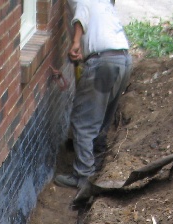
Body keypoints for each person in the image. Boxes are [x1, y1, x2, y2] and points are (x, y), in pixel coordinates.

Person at [55, 0, 132, 196]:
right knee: (105, 113)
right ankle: (99, 159)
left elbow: (81, 15)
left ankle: (84, 175)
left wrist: (74, 43)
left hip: (102, 62)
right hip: (123, 59)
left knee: (83, 122)